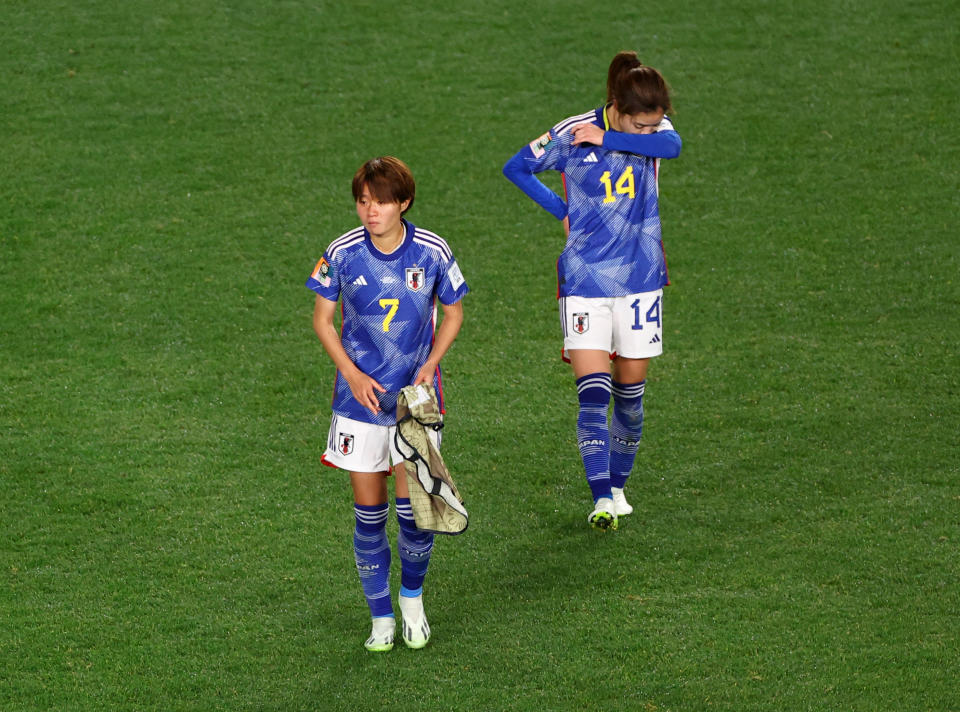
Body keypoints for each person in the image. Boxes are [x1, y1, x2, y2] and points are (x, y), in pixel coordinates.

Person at [502, 51, 682, 531]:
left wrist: (613, 138)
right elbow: (517, 167)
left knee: (630, 394)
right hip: (584, 280)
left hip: (641, 281)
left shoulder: (651, 133)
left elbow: (674, 147)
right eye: (639, 125)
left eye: (653, 126)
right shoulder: (572, 131)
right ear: (617, 106)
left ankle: (620, 488)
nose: (648, 134)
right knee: (593, 393)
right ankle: (601, 498)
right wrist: (562, 210)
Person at [306, 156, 468, 651]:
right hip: (359, 405)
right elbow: (322, 321)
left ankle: (412, 601)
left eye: (379, 201)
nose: (369, 211)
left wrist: (430, 363)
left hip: (412, 403)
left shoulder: (434, 251)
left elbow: (454, 313)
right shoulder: (341, 252)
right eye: (362, 201)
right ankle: (380, 617)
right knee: (368, 513)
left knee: (416, 509)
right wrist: (351, 374)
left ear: (404, 203)